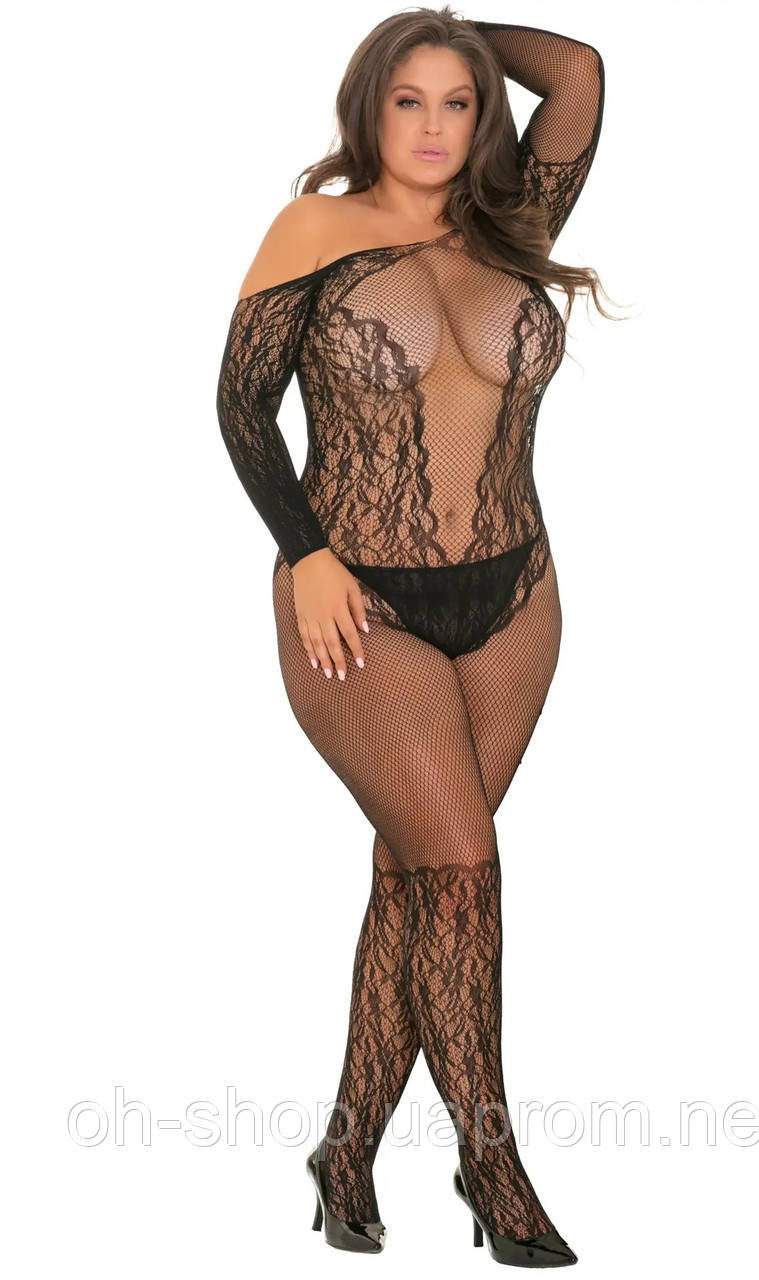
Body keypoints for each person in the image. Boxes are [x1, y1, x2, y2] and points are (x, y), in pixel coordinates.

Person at [216, 5, 611, 1266]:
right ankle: (491, 1160)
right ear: (368, 109)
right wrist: (307, 554)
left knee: (420, 874)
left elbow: (579, 72)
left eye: (457, 100)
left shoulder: (514, 221)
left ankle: (343, 1152)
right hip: (356, 601)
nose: (434, 125)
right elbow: (240, 405)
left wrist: (446, 26)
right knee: (463, 869)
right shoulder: (316, 228)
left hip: (516, 595)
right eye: (408, 98)